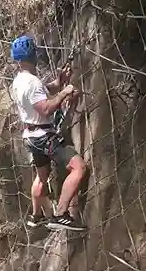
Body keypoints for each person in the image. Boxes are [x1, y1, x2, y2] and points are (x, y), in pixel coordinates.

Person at [9, 34, 87, 232]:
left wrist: (59, 82)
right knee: (79, 168)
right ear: (34, 55)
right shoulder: (31, 83)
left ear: (17, 59)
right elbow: (45, 108)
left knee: (42, 177)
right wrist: (64, 92)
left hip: (31, 137)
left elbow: (43, 91)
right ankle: (60, 214)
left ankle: (36, 216)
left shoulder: (19, 81)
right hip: (44, 137)